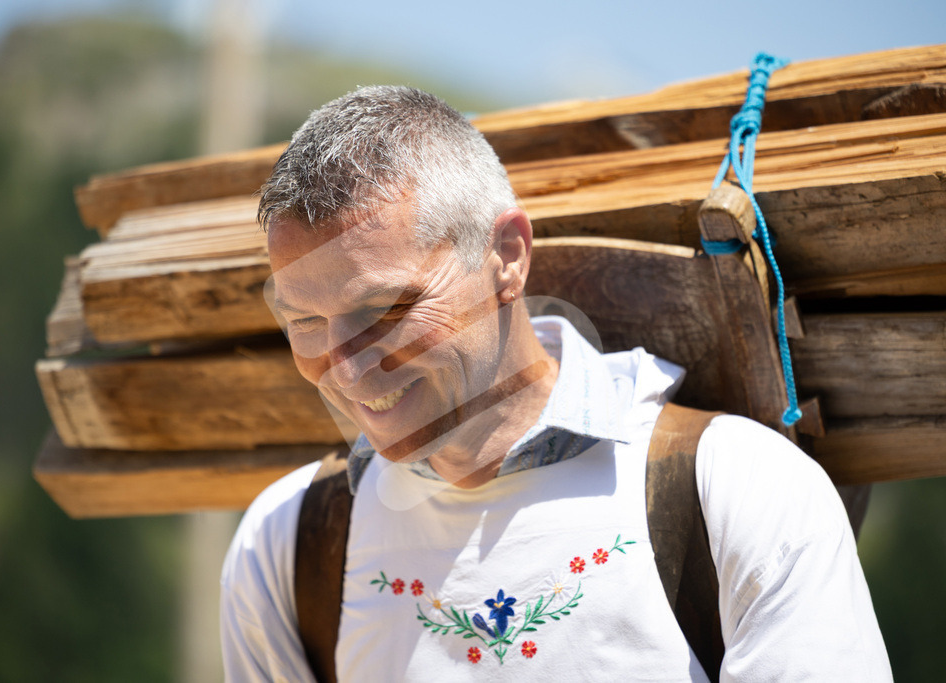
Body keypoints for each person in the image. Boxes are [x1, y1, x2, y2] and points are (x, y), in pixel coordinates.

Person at [220, 85, 891, 681]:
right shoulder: (286, 541)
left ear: (506, 257)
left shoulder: (743, 488)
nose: (344, 367)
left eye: (381, 309)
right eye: (305, 321)